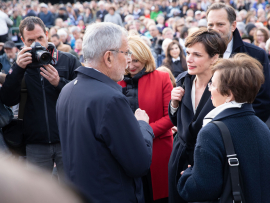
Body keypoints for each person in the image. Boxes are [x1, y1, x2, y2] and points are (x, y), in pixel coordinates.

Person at [56, 22, 154, 203]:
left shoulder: (67, 90)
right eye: (126, 53)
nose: (129, 60)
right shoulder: (110, 99)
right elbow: (138, 164)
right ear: (109, 57)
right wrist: (143, 125)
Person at [177, 53, 270, 203]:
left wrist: (187, 176)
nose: (209, 89)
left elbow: (202, 189)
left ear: (229, 95)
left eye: (213, 84)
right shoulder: (262, 127)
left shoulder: (212, 132)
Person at [0, 17, 81, 176]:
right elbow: (8, 99)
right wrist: (18, 69)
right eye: (30, 40)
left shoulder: (68, 60)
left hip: (67, 138)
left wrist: (59, 82)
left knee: (72, 192)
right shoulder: (20, 65)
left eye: (40, 38)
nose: (36, 43)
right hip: (35, 141)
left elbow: (82, 94)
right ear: (23, 40)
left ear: (46, 34)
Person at [168, 28, 227, 203]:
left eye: (197, 55)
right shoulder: (182, 80)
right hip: (179, 157)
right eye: (187, 53)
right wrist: (173, 104)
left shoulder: (225, 87)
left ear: (215, 57)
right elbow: (176, 121)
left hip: (208, 161)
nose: (189, 59)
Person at [118, 35, 173, 203]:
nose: (131, 66)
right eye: (128, 61)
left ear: (145, 58)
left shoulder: (162, 78)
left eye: (136, 61)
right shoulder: (116, 81)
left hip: (158, 149)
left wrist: (145, 132)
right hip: (125, 150)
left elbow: (171, 116)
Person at [206, 3, 270, 122]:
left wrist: (238, 126)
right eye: (210, 25)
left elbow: (263, 100)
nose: (214, 29)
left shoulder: (256, 54)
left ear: (233, 25)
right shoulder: (201, 54)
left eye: (220, 24)